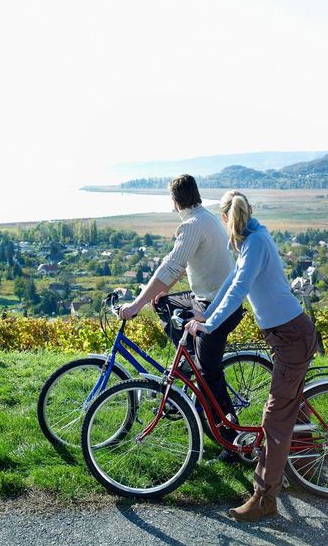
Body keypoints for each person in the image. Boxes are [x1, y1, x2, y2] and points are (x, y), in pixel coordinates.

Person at [185, 190, 318, 522]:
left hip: (291, 336)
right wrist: (207, 316)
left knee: (274, 416)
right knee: (289, 404)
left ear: (226, 219)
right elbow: (230, 282)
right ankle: (306, 460)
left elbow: (241, 288)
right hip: (287, 335)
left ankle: (264, 498)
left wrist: (211, 324)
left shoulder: (255, 242)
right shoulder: (250, 240)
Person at [119, 174, 244, 460]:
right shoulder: (206, 218)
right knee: (162, 302)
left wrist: (136, 305)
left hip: (216, 305)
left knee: (210, 375)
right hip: (208, 295)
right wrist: (157, 295)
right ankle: (187, 360)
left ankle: (233, 442)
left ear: (175, 200)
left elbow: (170, 268)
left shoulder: (191, 226)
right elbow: (176, 270)